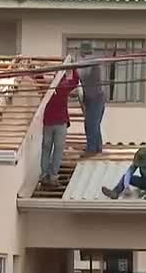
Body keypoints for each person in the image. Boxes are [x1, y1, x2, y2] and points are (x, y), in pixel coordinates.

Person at [39, 57, 80, 187]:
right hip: (60, 122)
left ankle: (45, 175)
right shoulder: (63, 86)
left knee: (46, 149)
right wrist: (72, 67)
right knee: (58, 149)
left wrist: (38, 69)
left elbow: (37, 78)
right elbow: (75, 80)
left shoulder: (47, 88)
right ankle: (53, 176)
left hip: (48, 122)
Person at [76, 42, 106, 157]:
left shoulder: (91, 61)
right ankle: (97, 148)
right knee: (93, 124)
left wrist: (71, 67)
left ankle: (92, 149)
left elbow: (82, 74)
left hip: (95, 97)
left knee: (91, 123)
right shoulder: (91, 61)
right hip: (93, 97)